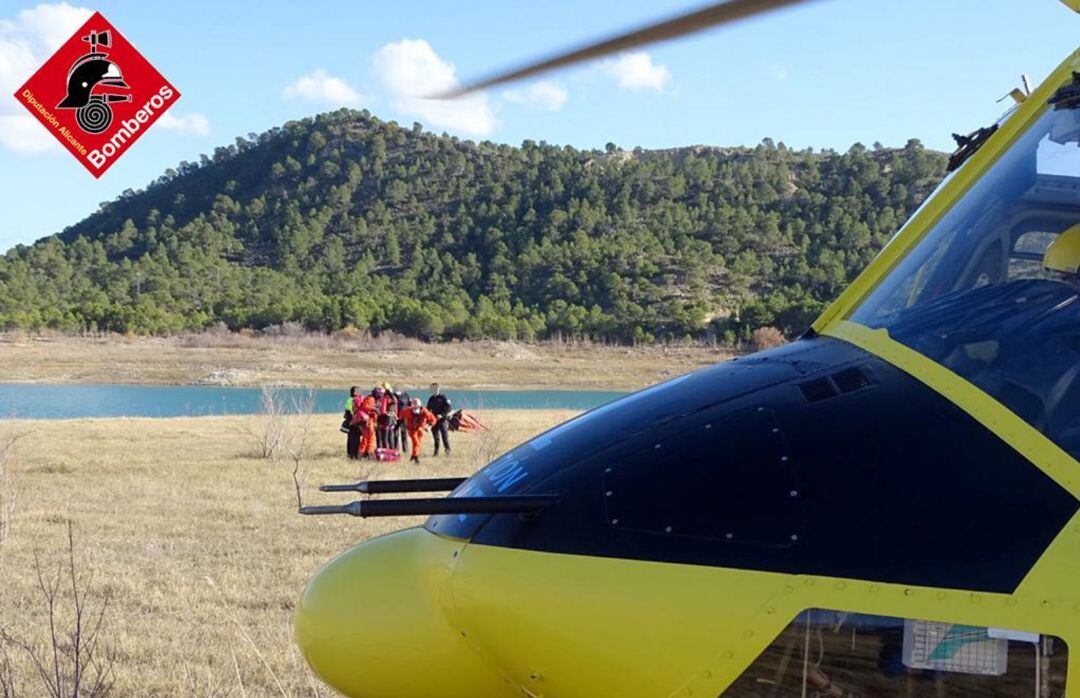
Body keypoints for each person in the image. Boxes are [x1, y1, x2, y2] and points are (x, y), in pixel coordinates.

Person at [399, 398, 437, 463]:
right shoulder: (407, 411)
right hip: (412, 429)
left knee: (418, 444)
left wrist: (429, 426)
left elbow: (433, 419)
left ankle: (413, 456)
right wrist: (402, 425)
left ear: (419, 406)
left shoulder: (424, 411)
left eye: (417, 406)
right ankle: (416, 457)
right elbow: (401, 416)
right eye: (414, 406)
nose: (415, 408)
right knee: (416, 442)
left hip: (420, 429)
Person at [426, 383, 452, 456]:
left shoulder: (443, 397)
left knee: (444, 436)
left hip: (443, 420)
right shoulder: (431, 398)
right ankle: (436, 453)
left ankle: (447, 451)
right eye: (432, 388)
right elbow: (428, 409)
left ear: (438, 389)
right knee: (436, 437)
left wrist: (442, 415)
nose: (434, 390)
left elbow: (449, 407)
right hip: (434, 420)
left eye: (436, 388)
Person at [357, 387, 379, 459]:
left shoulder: (370, 398)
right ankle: (370, 455)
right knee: (370, 439)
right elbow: (365, 406)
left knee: (365, 439)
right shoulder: (371, 399)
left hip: (367, 422)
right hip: (368, 422)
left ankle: (360, 455)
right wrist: (374, 409)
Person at [375, 385, 398, 451]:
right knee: (386, 437)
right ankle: (388, 451)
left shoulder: (385, 399)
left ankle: (387, 452)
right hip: (386, 419)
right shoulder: (393, 398)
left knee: (385, 437)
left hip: (385, 420)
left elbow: (383, 410)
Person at [344, 386, 362, 459]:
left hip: (349, 420)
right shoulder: (355, 400)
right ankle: (354, 455)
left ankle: (349, 454)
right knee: (355, 439)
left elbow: (347, 411)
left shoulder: (349, 399)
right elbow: (355, 411)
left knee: (350, 438)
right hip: (354, 421)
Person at [392, 387, 412, 451]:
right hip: (395, 418)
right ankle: (395, 450)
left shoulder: (405, 395)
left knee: (404, 434)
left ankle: (405, 450)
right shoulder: (392, 395)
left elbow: (410, 405)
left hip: (403, 418)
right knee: (395, 434)